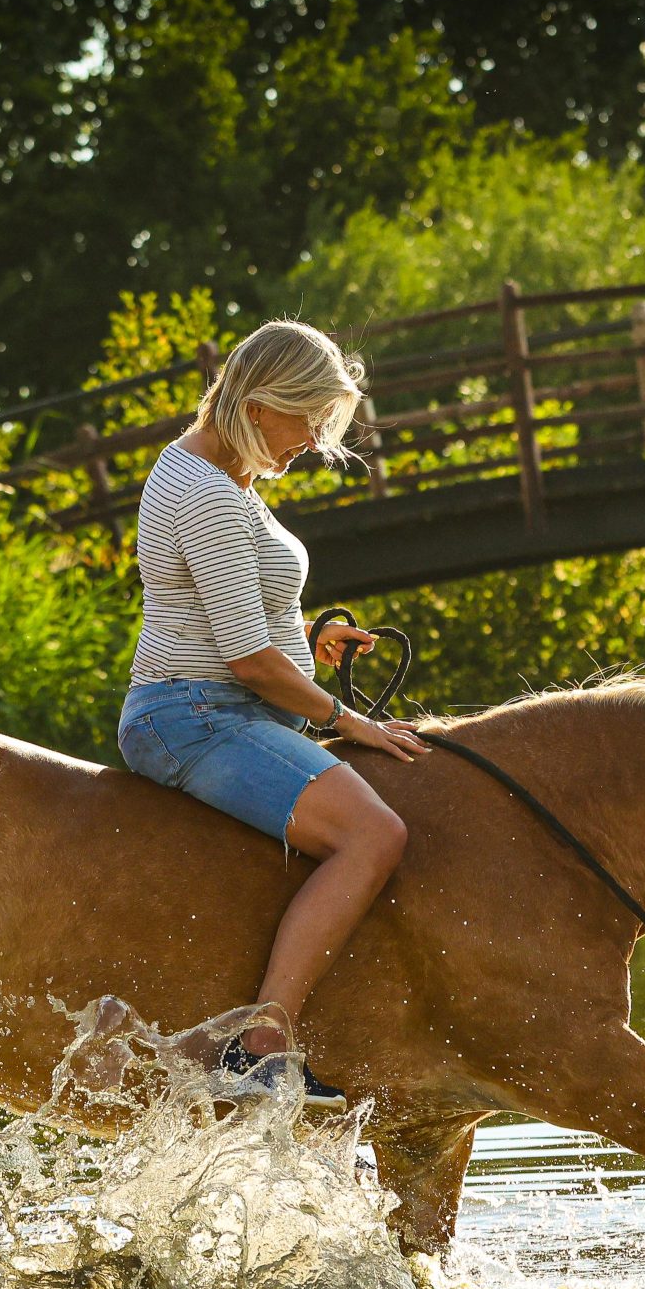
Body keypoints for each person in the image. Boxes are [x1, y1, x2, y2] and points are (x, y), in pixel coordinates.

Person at [116, 320, 430, 1106]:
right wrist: (345, 720)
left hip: (218, 702)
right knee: (374, 832)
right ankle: (261, 1045)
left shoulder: (210, 474)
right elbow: (243, 662)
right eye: (311, 419)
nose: (317, 443)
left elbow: (234, 621)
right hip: (197, 715)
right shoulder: (209, 495)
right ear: (260, 404)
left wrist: (307, 640)